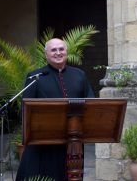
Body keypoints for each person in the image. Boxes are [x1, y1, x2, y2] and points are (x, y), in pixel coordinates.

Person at [16, 38, 94, 181]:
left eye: (61, 49)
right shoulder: (35, 77)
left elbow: (91, 104)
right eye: (53, 50)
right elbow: (26, 110)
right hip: (44, 143)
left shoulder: (79, 75)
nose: (58, 53)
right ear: (46, 54)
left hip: (73, 142)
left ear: (66, 52)